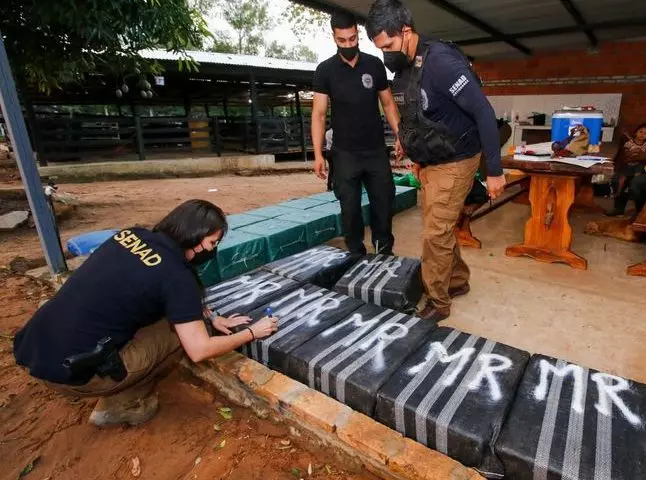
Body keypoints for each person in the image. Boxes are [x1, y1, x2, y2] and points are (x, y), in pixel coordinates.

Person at [13, 200, 278, 427]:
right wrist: (251, 332)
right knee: (178, 336)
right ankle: (121, 405)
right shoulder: (177, 276)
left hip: (35, 350)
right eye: (212, 242)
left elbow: (155, 287)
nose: (212, 250)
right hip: (75, 375)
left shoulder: (131, 235)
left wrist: (212, 316)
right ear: (194, 236)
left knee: (170, 316)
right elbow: (199, 350)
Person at [366, 0, 505, 322]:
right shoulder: (405, 65)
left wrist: (495, 171)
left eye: (388, 45)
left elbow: (483, 112)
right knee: (438, 228)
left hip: (457, 158)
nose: (385, 54)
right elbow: (415, 115)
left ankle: (438, 301)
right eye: (379, 48)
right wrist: (413, 151)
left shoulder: (441, 62)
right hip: (431, 159)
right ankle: (457, 280)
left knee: (434, 234)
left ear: (406, 31)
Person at [311, 10, 402, 256]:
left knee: (384, 202)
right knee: (349, 208)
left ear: (357, 34)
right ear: (334, 37)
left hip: (375, 150)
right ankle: (355, 252)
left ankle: (384, 248)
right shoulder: (325, 70)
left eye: (352, 38)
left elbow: (388, 104)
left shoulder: (374, 65)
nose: (348, 44)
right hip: (344, 154)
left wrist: (400, 135)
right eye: (342, 40)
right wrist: (318, 154)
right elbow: (318, 114)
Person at [611, 123, 646, 195]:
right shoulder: (629, 143)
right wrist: (632, 151)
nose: (642, 134)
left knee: (638, 175)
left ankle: (632, 190)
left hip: (638, 164)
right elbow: (626, 154)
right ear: (635, 132)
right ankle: (618, 192)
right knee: (622, 178)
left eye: (645, 133)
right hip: (628, 164)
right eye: (640, 131)